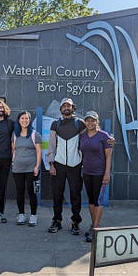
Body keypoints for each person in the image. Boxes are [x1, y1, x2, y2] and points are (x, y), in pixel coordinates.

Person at [46, 98, 87, 235]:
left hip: (76, 165)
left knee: (75, 194)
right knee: (57, 195)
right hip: (58, 164)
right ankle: (56, 221)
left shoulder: (80, 124)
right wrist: (51, 164)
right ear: (61, 109)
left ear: (73, 108)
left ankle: (76, 222)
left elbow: (87, 142)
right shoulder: (55, 124)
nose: (66, 107)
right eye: (64, 105)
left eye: (68, 105)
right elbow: (51, 146)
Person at [79, 110, 113, 242]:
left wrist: (107, 173)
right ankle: (94, 225)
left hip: (100, 173)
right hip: (87, 172)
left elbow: (108, 156)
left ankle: (95, 228)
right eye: (88, 120)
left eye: (93, 120)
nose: (90, 123)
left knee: (98, 201)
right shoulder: (83, 136)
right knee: (91, 200)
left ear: (97, 122)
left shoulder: (104, 136)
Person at [11, 111, 42, 227]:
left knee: (31, 192)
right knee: (19, 192)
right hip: (17, 168)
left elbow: (39, 152)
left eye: (27, 118)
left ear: (29, 120)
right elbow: (13, 150)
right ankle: (21, 215)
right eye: (22, 118)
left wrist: (37, 167)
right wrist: (13, 163)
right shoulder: (14, 134)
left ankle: (33, 215)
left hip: (31, 168)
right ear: (19, 120)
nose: (24, 120)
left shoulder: (35, 134)